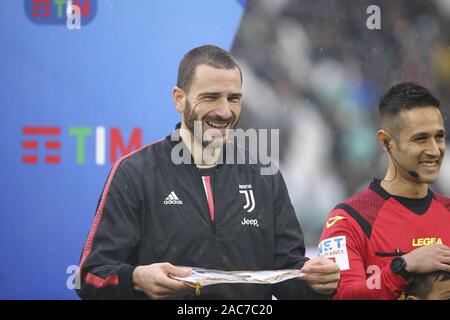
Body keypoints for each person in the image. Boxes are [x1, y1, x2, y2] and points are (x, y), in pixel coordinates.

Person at [76, 45, 340, 300]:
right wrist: (135, 278)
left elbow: (288, 275)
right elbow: (89, 277)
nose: (225, 111)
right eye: (211, 97)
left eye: (233, 98)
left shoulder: (264, 174)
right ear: (179, 99)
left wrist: (317, 282)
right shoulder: (135, 172)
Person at [318, 82, 450, 299]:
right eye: (420, 139)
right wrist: (403, 266)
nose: (435, 150)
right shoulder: (348, 220)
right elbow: (344, 295)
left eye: (439, 136)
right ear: (386, 142)